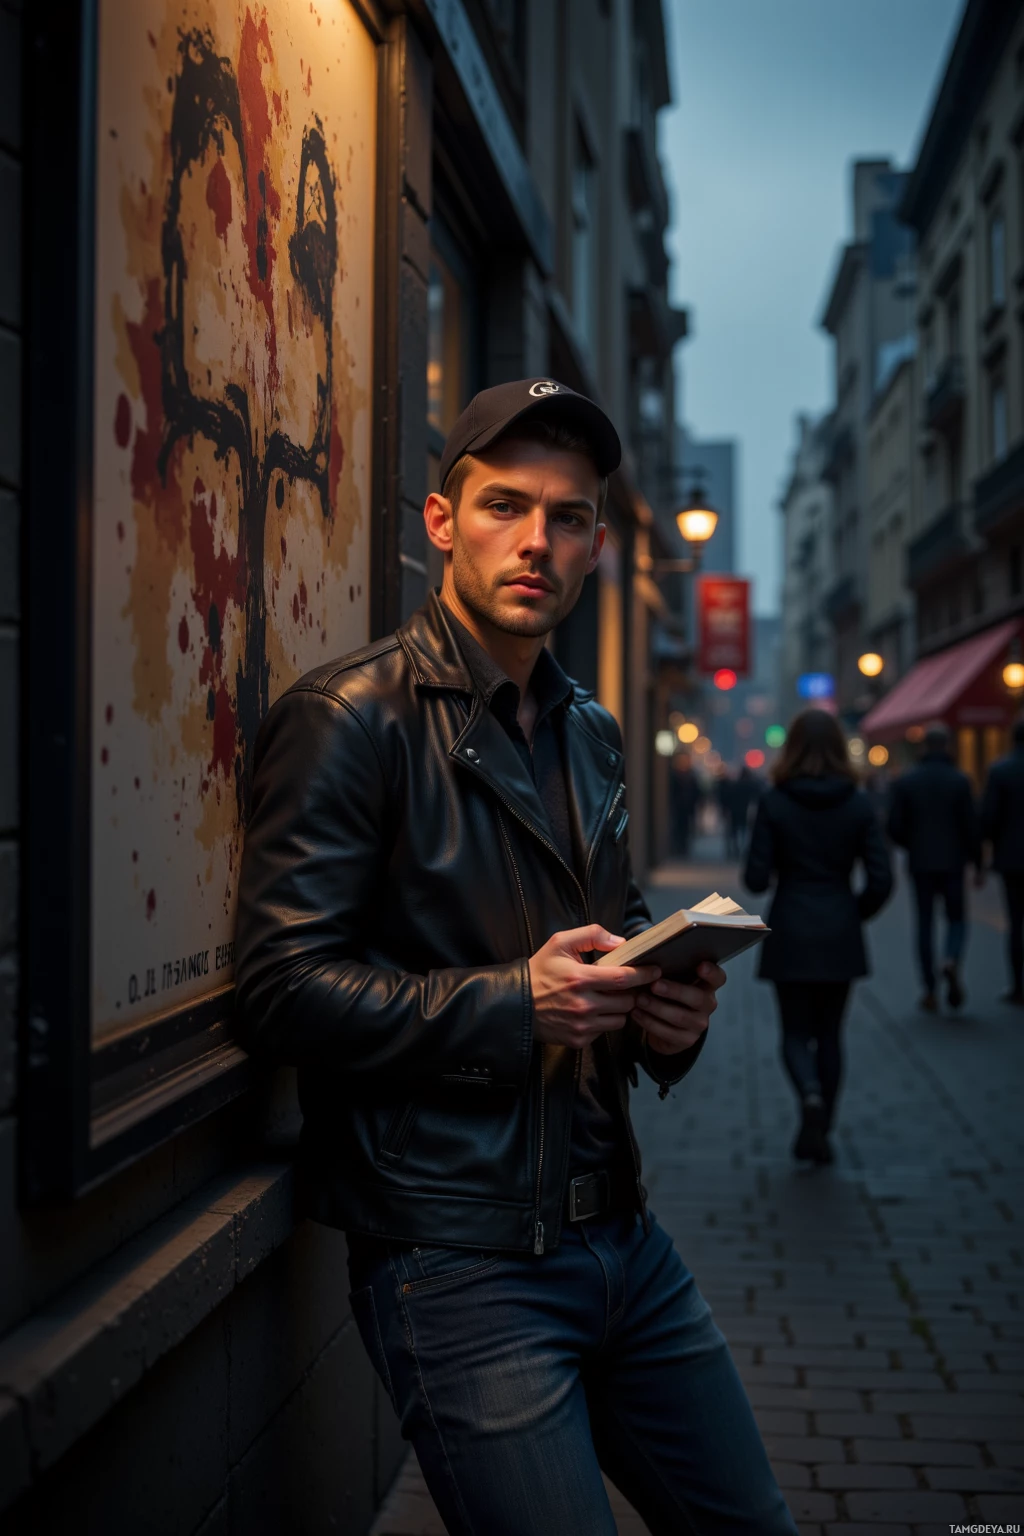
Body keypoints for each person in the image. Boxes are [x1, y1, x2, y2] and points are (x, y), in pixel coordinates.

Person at [235, 379, 797, 1536]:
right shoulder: (352, 719)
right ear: (440, 521)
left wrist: (663, 1021)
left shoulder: (589, 730)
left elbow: (616, 922)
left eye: (569, 516)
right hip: (458, 1259)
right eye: (504, 506)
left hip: (623, 1241)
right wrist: (512, 1005)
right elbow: (279, 989)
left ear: (597, 543)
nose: (537, 540)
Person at [744, 709, 892, 1165]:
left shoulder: (774, 801)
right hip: (839, 929)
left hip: (791, 926)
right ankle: (822, 1126)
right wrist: (852, 912)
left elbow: (754, 879)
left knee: (794, 1032)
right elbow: (882, 879)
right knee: (830, 1035)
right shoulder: (858, 802)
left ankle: (807, 1094)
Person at [887, 723, 981, 1012]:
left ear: (924, 747)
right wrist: (978, 863)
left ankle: (929, 988)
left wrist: (912, 845)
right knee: (956, 918)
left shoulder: (907, 781)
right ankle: (951, 958)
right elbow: (971, 826)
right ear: (948, 746)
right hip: (953, 862)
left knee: (924, 923)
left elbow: (894, 826)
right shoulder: (960, 780)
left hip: (921, 862)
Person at [981, 718, 1024, 1004]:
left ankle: (1018, 986)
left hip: (1013, 859)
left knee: (1016, 923)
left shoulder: (1001, 771)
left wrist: (985, 854)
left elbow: (989, 820)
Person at [669, 752, 700, 856]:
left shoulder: (691, 777)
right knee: (679, 827)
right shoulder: (676, 776)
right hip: (679, 808)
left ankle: (683, 846)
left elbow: (697, 793)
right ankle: (679, 846)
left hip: (688, 808)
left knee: (686, 828)